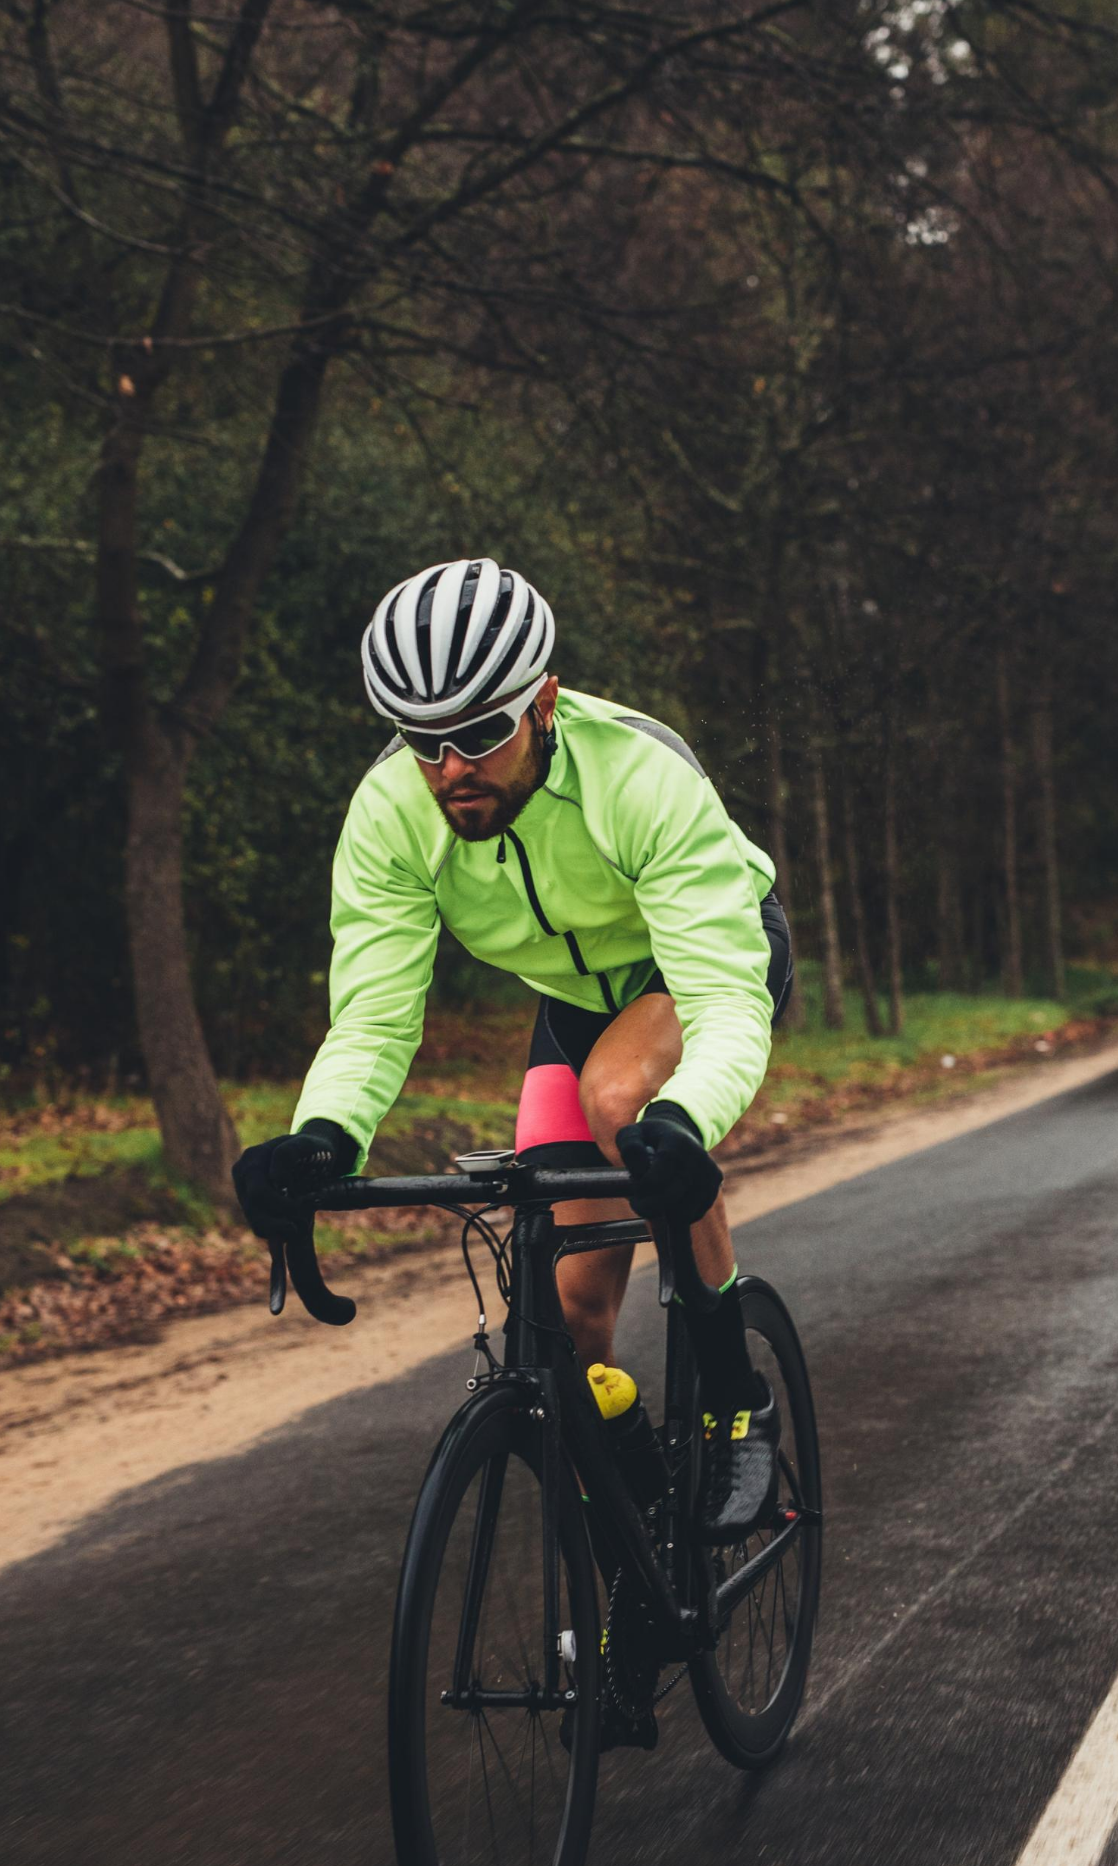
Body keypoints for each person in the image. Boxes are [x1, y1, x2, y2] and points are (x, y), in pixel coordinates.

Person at [233, 558, 792, 1543]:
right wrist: (322, 1138)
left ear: (543, 702)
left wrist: (685, 1121)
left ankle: (736, 1394)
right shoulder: (392, 817)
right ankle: (635, 1510)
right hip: (574, 1000)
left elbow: (721, 997)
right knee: (568, 1313)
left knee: (622, 1101)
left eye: (481, 733)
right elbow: (373, 1014)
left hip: (703, 960)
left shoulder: (638, 774)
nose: (452, 768)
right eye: (423, 740)